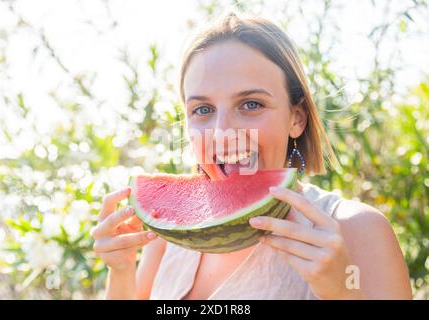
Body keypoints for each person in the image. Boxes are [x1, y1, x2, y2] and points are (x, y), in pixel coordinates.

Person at [91, 12, 412, 300]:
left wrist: (341, 293)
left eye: (251, 104)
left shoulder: (356, 229)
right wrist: (120, 271)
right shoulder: (170, 235)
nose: (221, 131)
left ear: (296, 118)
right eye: (202, 110)